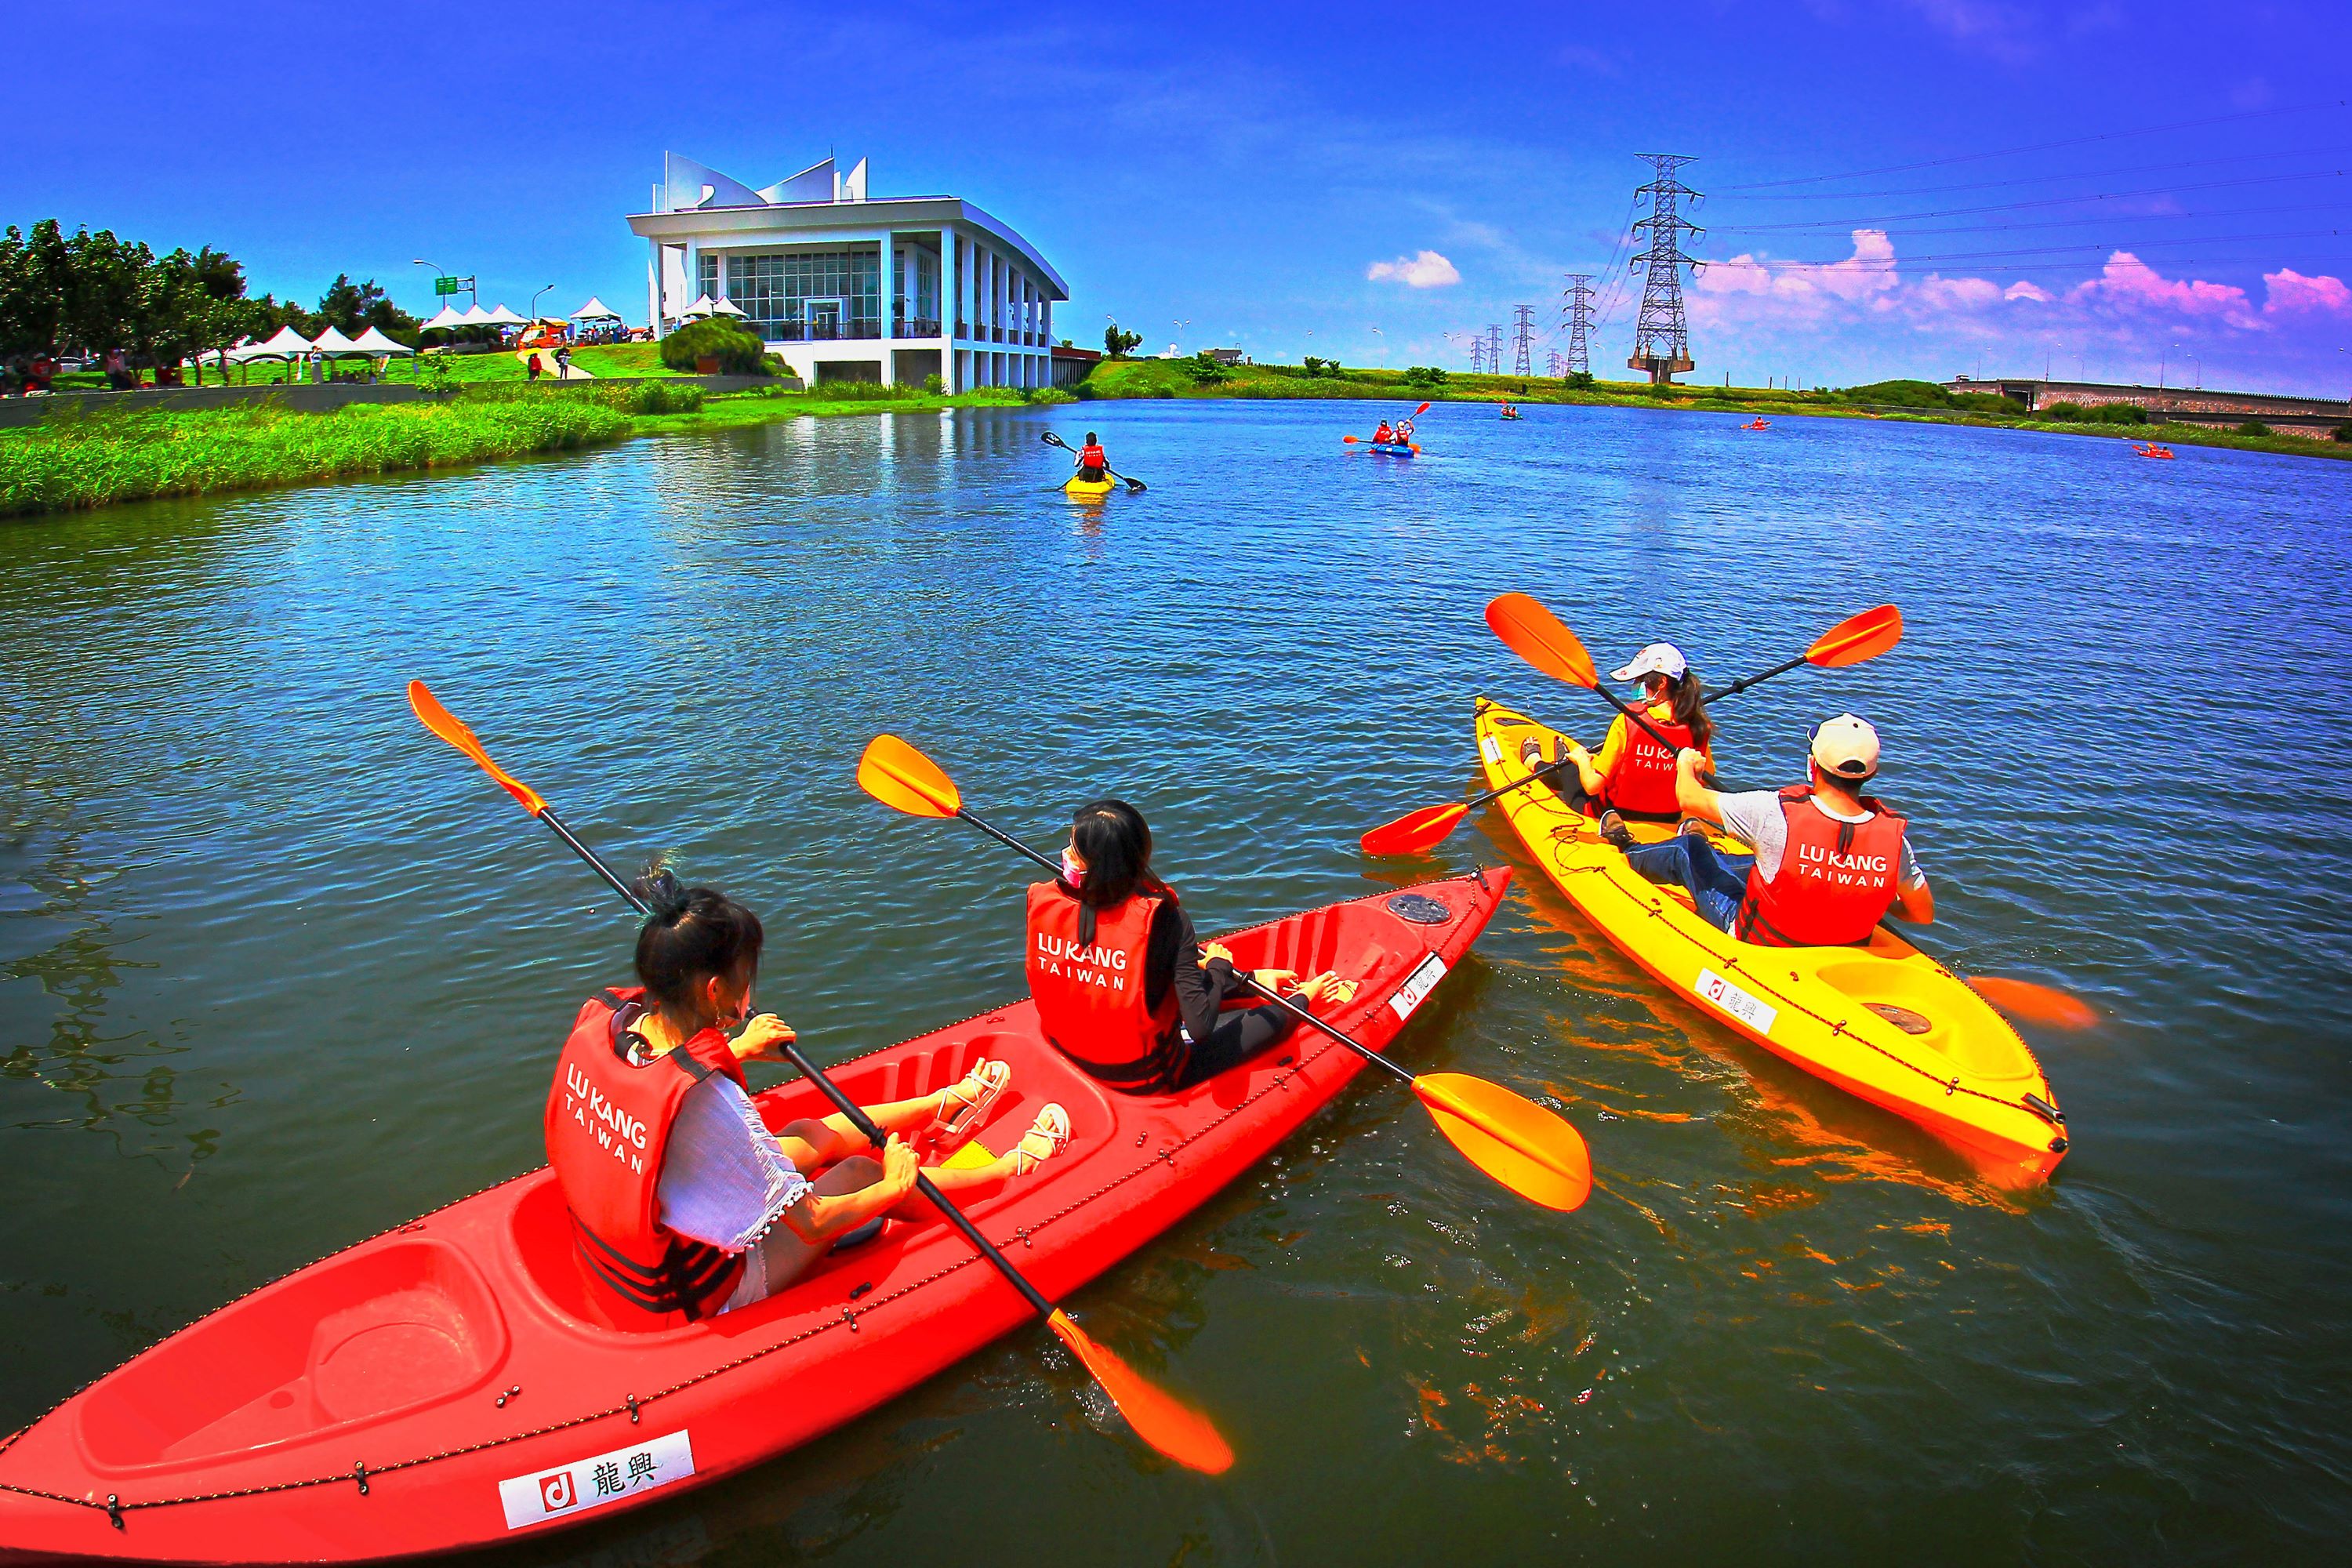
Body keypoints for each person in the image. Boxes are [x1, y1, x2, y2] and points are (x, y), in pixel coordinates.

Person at [547, 866, 1069, 1327]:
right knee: (863, 1173)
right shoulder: (709, 1108)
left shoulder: (616, 1024)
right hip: (699, 1294)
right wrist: (895, 1184)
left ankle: (945, 1103)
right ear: (712, 991)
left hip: (631, 1258)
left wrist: (737, 1047)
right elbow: (814, 1219)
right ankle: (1004, 1172)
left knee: (806, 1135)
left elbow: (665, 1073)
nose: (748, 992)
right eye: (743, 980)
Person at [1025, 800, 1355, 1093]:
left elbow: (1123, 964)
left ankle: (1257, 982)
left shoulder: (1045, 901)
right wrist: (1218, 966)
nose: (1066, 854)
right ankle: (1306, 997)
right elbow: (1199, 1027)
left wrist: (1209, 968)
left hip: (1065, 1046)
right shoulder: (1165, 920)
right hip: (1145, 1077)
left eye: (1074, 847)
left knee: (1189, 977)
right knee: (1249, 1019)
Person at [1613, 714, 1933, 946]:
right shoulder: (1895, 842)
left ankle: (1626, 852)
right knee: (1758, 865)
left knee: (1688, 849)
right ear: (1871, 774)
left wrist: (1686, 763)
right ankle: (1708, 852)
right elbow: (1922, 915)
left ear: (1812, 766)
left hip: (1761, 940)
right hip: (1845, 944)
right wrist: (1858, 891)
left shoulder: (1774, 812)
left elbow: (1689, 798)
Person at [1522, 642, 1715, 828]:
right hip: (1669, 816)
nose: (1635, 685)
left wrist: (1582, 761)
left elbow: (1591, 787)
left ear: (1662, 683)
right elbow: (1705, 778)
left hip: (1611, 813)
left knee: (1570, 768)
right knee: (1590, 765)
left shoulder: (1628, 721)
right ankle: (1564, 760)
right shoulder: (1699, 726)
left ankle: (1535, 762)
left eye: (1640, 680)